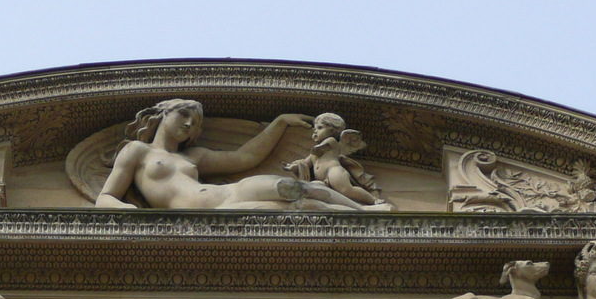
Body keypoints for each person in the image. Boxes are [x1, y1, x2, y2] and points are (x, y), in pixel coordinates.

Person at [94, 99, 382, 211]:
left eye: (194, 123)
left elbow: (246, 158)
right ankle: (363, 212)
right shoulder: (137, 150)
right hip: (215, 214)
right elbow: (105, 198)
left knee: (298, 188)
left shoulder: (194, 156)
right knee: (300, 207)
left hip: (230, 194)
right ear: (162, 112)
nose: (188, 124)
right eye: (183, 115)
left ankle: (366, 212)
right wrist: (128, 213)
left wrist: (280, 121)